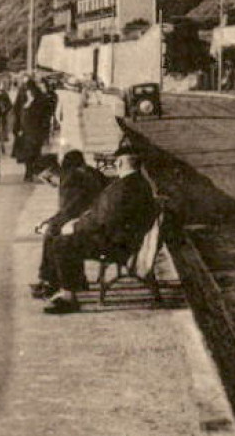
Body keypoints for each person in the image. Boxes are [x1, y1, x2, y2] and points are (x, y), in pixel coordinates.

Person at [43, 148, 157, 314]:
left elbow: (103, 220)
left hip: (116, 245)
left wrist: (75, 227)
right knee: (66, 237)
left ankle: (69, 297)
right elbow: (105, 217)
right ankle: (69, 287)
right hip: (122, 238)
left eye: (116, 162)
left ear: (119, 163)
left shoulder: (124, 188)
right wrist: (79, 224)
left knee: (62, 243)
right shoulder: (136, 183)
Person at [30, 150, 109, 299]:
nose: (49, 184)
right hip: (98, 220)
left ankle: (50, 282)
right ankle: (73, 280)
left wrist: (48, 224)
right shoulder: (79, 174)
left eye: (45, 180)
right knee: (55, 229)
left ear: (48, 174)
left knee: (52, 234)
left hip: (97, 227)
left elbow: (69, 212)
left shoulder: (70, 181)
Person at [15, 78, 56, 181]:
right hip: (25, 130)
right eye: (26, 90)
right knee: (27, 152)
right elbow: (16, 113)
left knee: (35, 152)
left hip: (36, 130)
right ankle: (29, 172)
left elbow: (46, 114)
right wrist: (17, 128)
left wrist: (45, 129)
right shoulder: (22, 99)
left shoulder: (41, 100)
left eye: (30, 90)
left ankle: (33, 171)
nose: (28, 92)